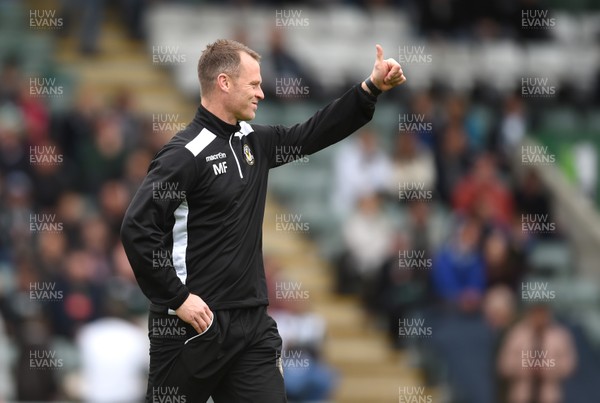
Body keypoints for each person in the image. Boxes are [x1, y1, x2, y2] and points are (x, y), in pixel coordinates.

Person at [120, 39, 406, 403]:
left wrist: (370, 89)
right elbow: (136, 229)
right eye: (254, 85)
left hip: (251, 327)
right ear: (224, 83)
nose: (262, 94)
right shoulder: (183, 155)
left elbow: (311, 134)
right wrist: (177, 299)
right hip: (192, 325)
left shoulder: (253, 142)